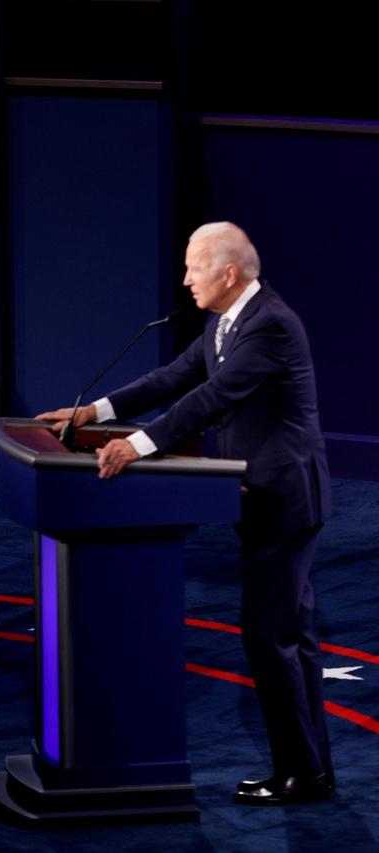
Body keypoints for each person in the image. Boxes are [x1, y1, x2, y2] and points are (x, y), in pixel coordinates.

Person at [37, 222, 333, 806]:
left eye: (194, 267)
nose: (185, 279)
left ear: (228, 273)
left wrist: (137, 445)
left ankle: (301, 774)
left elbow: (211, 398)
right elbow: (175, 378)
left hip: (284, 497)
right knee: (288, 638)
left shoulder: (270, 325)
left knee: (271, 638)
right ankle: (309, 769)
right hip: (260, 494)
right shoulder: (228, 319)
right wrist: (93, 412)